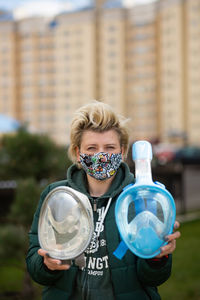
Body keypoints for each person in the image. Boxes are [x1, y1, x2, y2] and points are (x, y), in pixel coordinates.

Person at [26, 101, 181, 300]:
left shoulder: (143, 198)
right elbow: (35, 266)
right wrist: (47, 265)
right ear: (77, 153)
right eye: (91, 148)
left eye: (109, 147)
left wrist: (158, 257)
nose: (101, 155)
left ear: (122, 151)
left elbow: (152, 278)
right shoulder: (57, 195)